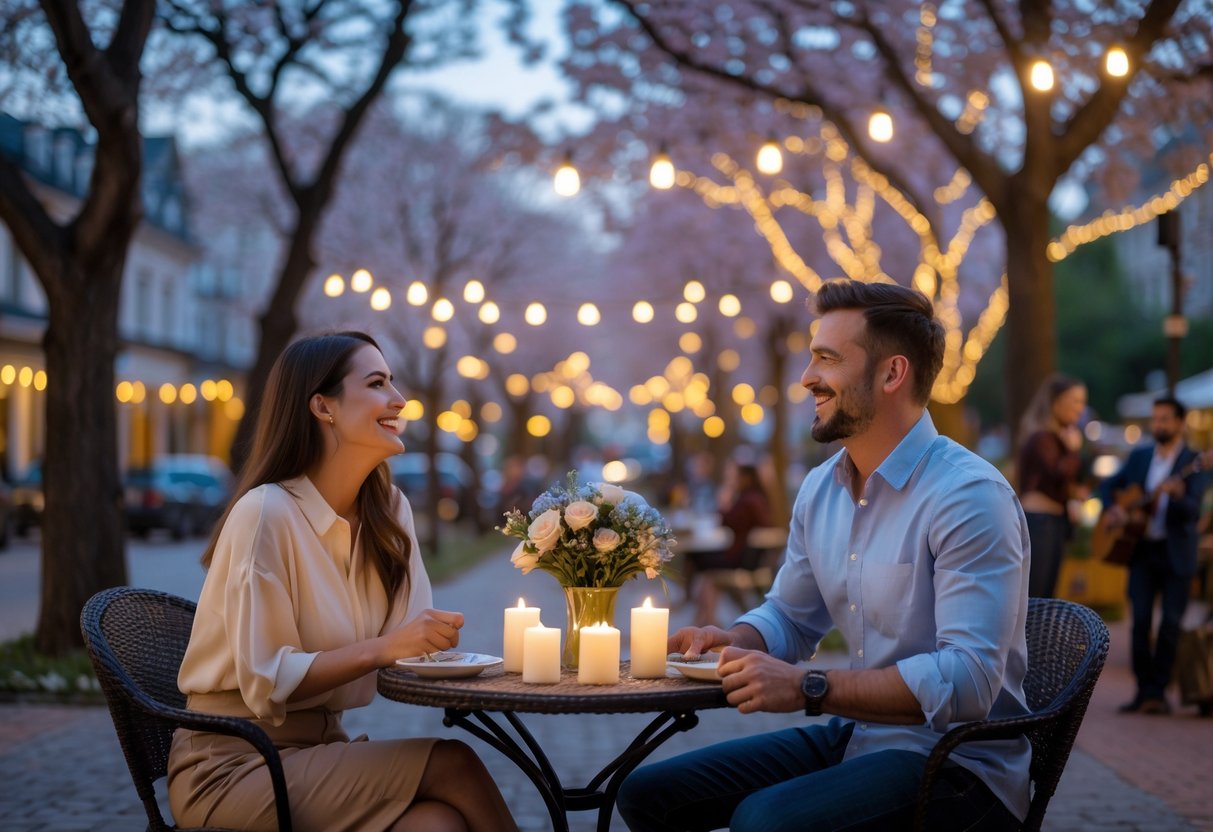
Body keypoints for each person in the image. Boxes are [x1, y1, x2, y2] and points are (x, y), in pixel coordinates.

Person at [617, 279, 1030, 832]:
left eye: (827, 359)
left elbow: (968, 682)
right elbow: (790, 616)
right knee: (648, 793)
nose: (808, 378)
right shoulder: (820, 489)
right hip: (861, 734)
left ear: (891, 374)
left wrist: (811, 687)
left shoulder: (969, 496)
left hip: (960, 764)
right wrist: (735, 640)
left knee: (763, 822)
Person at [167, 331, 518, 832]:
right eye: (377, 383)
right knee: (452, 762)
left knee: (438, 824)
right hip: (234, 766)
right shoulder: (266, 513)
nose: (399, 400)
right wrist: (384, 648)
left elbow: (411, 644)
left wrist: (458, 655)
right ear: (322, 407)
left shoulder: (389, 511)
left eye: (393, 383)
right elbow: (267, 681)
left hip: (321, 755)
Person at [1100, 396, 1210, 716]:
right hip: (1143, 551)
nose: (1158, 424)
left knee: (1171, 624)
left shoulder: (1196, 461)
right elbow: (1109, 485)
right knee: (1140, 622)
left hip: (1177, 552)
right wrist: (1116, 509)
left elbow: (1192, 511)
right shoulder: (1140, 456)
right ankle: (1142, 690)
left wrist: (1177, 497)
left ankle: (1159, 692)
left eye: (1165, 419)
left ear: (1180, 423)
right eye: (1156, 418)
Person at [1016, 373, 1088, 598]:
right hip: (1040, 524)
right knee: (1037, 596)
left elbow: (1056, 483)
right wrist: (1073, 451)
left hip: (1054, 523)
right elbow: (1056, 472)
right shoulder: (1040, 438)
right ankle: (1030, 636)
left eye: (1082, 402)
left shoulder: (1058, 438)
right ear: (1055, 402)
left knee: (1048, 595)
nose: (1080, 408)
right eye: (1075, 401)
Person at [690, 463, 772, 626]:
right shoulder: (756, 498)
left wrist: (725, 500)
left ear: (747, 478)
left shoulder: (748, 500)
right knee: (705, 567)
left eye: (737, 477)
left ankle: (707, 620)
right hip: (747, 557)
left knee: (704, 566)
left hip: (742, 559)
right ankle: (706, 618)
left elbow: (727, 520)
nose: (735, 481)